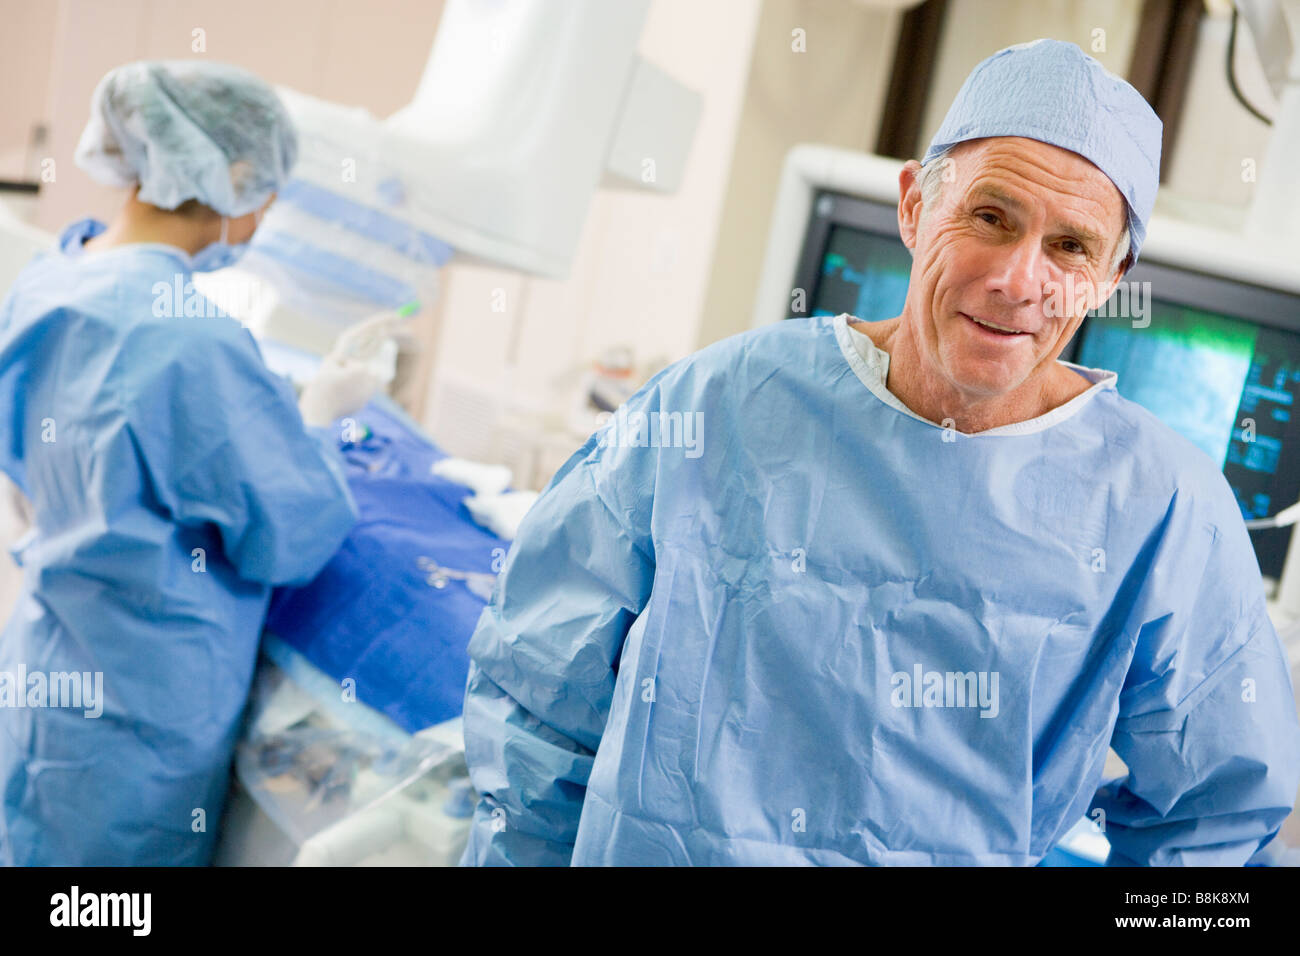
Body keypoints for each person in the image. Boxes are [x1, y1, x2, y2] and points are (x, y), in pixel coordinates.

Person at [459, 39, 1300, 866]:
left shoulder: (1163, 511)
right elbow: (539, 697)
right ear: (913, 207)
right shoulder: (716, 407)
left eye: (1070, 247)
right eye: (990, 217)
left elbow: (1215, 822)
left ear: (1111, 278)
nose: (1017, 279)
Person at [0, 61, 385, 865]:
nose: (261, 215)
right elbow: (295, 533)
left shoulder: (48, 281)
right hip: (136, 721)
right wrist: (313, 420)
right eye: (265, 195)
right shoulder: (187, 341)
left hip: (43, 671)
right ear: (235, 177)